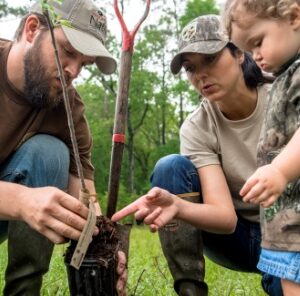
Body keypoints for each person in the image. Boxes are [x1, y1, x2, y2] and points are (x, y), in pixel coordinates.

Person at [112, 15, 283, 296]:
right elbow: (225, 219)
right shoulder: (197, 126)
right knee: (170, 168)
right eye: (191, 67)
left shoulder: (284, 99)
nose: (200, 75)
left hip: (289, 234)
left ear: (239, 52)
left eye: (211, 59)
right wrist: (178, 207)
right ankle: (190, 291)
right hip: (234, 238)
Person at [0, 0, 127, 295]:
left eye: (84, 63)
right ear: (32, 29)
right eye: (68, 51)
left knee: (51, 152)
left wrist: (105, 248)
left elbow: (85, 195)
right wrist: (21, 200)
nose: (73, 71)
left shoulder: (67, 104)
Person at [223, 1, 300, 295]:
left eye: (258, 42)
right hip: (286, 221)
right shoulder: (283, 76)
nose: (255, 56)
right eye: (247, 49)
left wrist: (279, 170)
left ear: (293, 16)